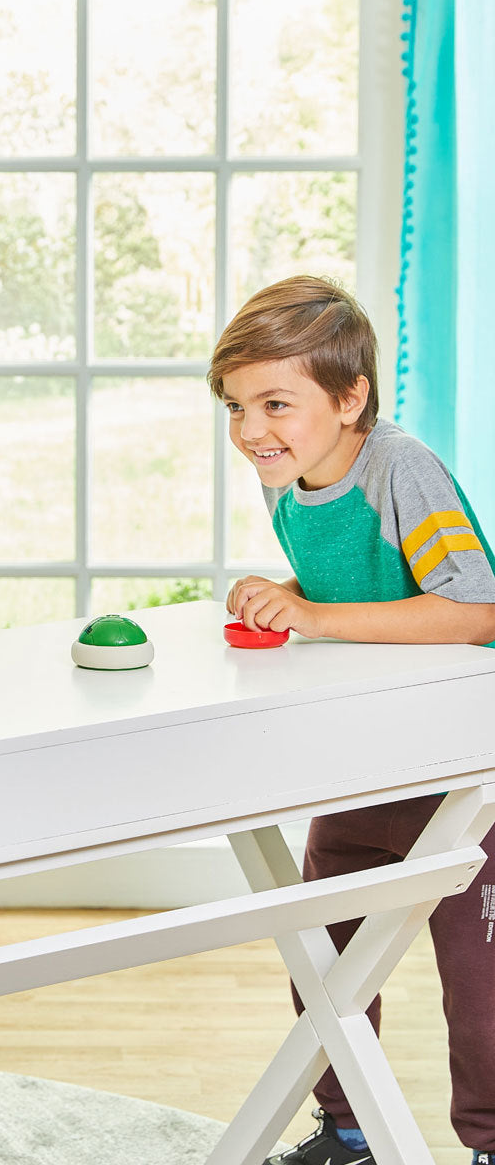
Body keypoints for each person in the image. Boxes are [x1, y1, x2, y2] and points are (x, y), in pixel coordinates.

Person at [208, 276, 495, 1165]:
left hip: (460, 774)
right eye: (236, 406)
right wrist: (289, 594)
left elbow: (473, 607)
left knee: (482, 986)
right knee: (324, 959)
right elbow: (370, 583)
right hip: (365, 762)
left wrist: (315, 615)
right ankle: (347, 1133)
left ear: (349, 397)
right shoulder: (289, 480)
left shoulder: (400, 467)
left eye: (275, 403)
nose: (251, 429)